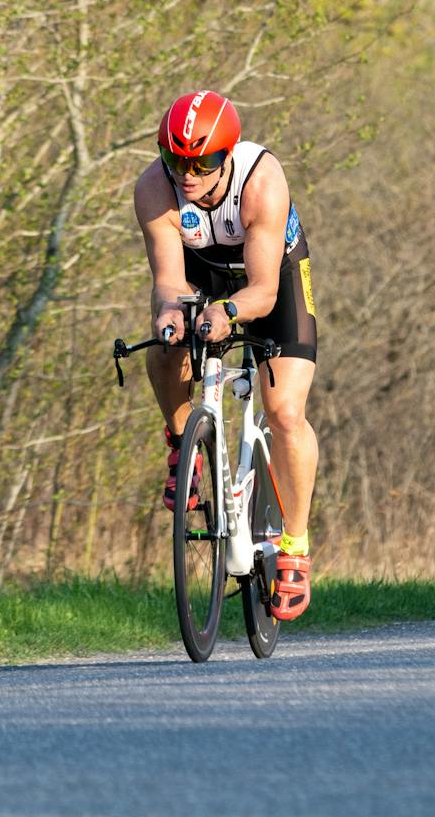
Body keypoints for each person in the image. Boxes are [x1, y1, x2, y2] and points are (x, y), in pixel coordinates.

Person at [134, 90, 319, 621]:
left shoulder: (261, 179)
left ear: (227, 156)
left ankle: (295, 546)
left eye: (203, 162)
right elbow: (168, 279)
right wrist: (173, 313)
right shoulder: (153, 188)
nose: (187, 174)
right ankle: (183, 447)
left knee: (284, 409)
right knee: (165, 344)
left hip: (270, 276)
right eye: (176, 161)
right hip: (202, 273)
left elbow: (261, 291)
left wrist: (229, 315)